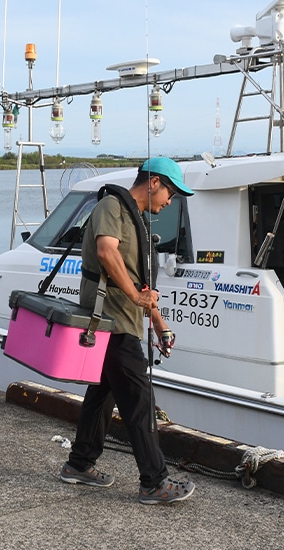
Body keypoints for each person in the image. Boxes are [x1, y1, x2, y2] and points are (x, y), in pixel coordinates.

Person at [60, 157, 197, 504]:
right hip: (110, 320)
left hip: (122, 320)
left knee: (102, 395)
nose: (171, 201)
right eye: (171, 192)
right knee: (139, 401)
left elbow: (139, 284)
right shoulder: (111, 206)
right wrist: (137, 297)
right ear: (153, 182)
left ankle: (79, 464)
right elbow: (106, 253)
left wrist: (159, 324)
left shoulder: (137, 220)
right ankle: (154, 481)